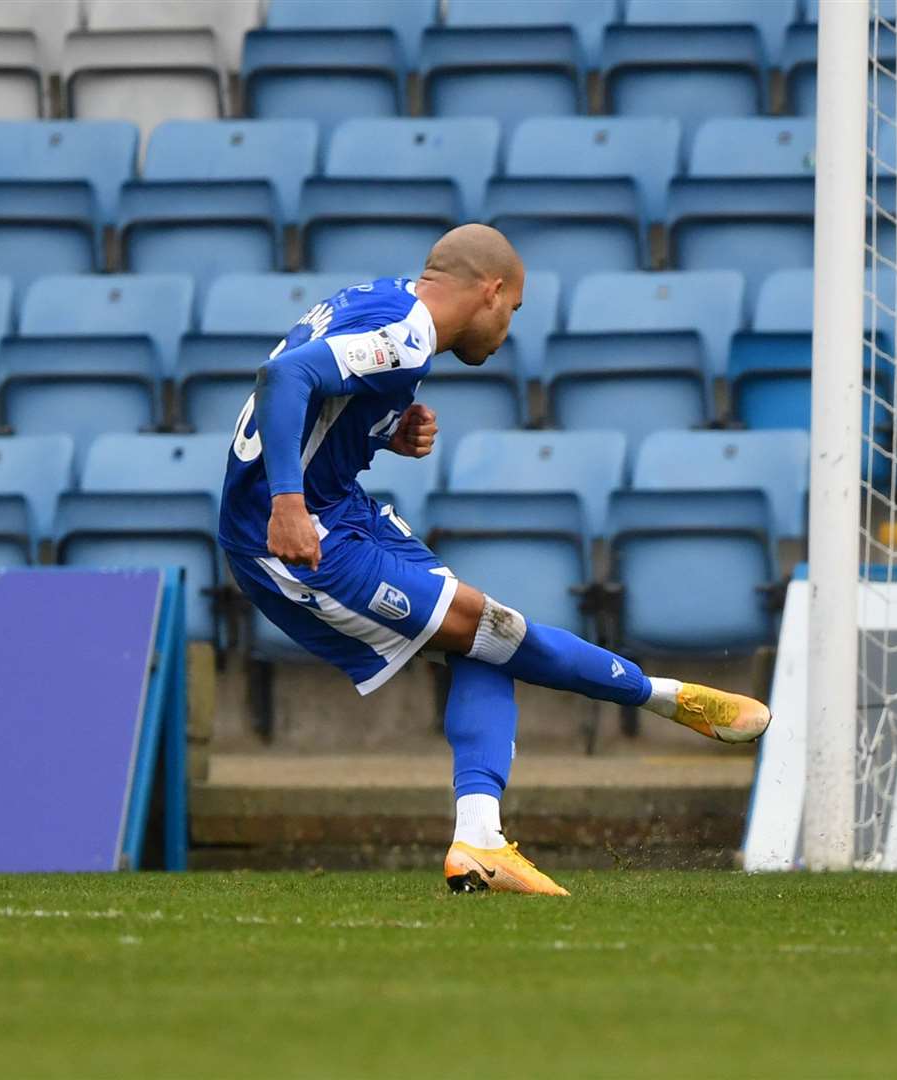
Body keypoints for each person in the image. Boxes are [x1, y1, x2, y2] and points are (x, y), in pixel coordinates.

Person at [218, 224, 770, 897]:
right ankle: (663, 697)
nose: (508, 326)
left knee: (488, 641)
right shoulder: (411, 334)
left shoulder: (382, 298)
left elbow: (322, 395)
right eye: (514, 310)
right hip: (297, 537)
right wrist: (286, 502)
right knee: (490, 626)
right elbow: (285, 375)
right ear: (493, 290)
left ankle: (480, 840)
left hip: (343, 507)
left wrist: (386, 430)